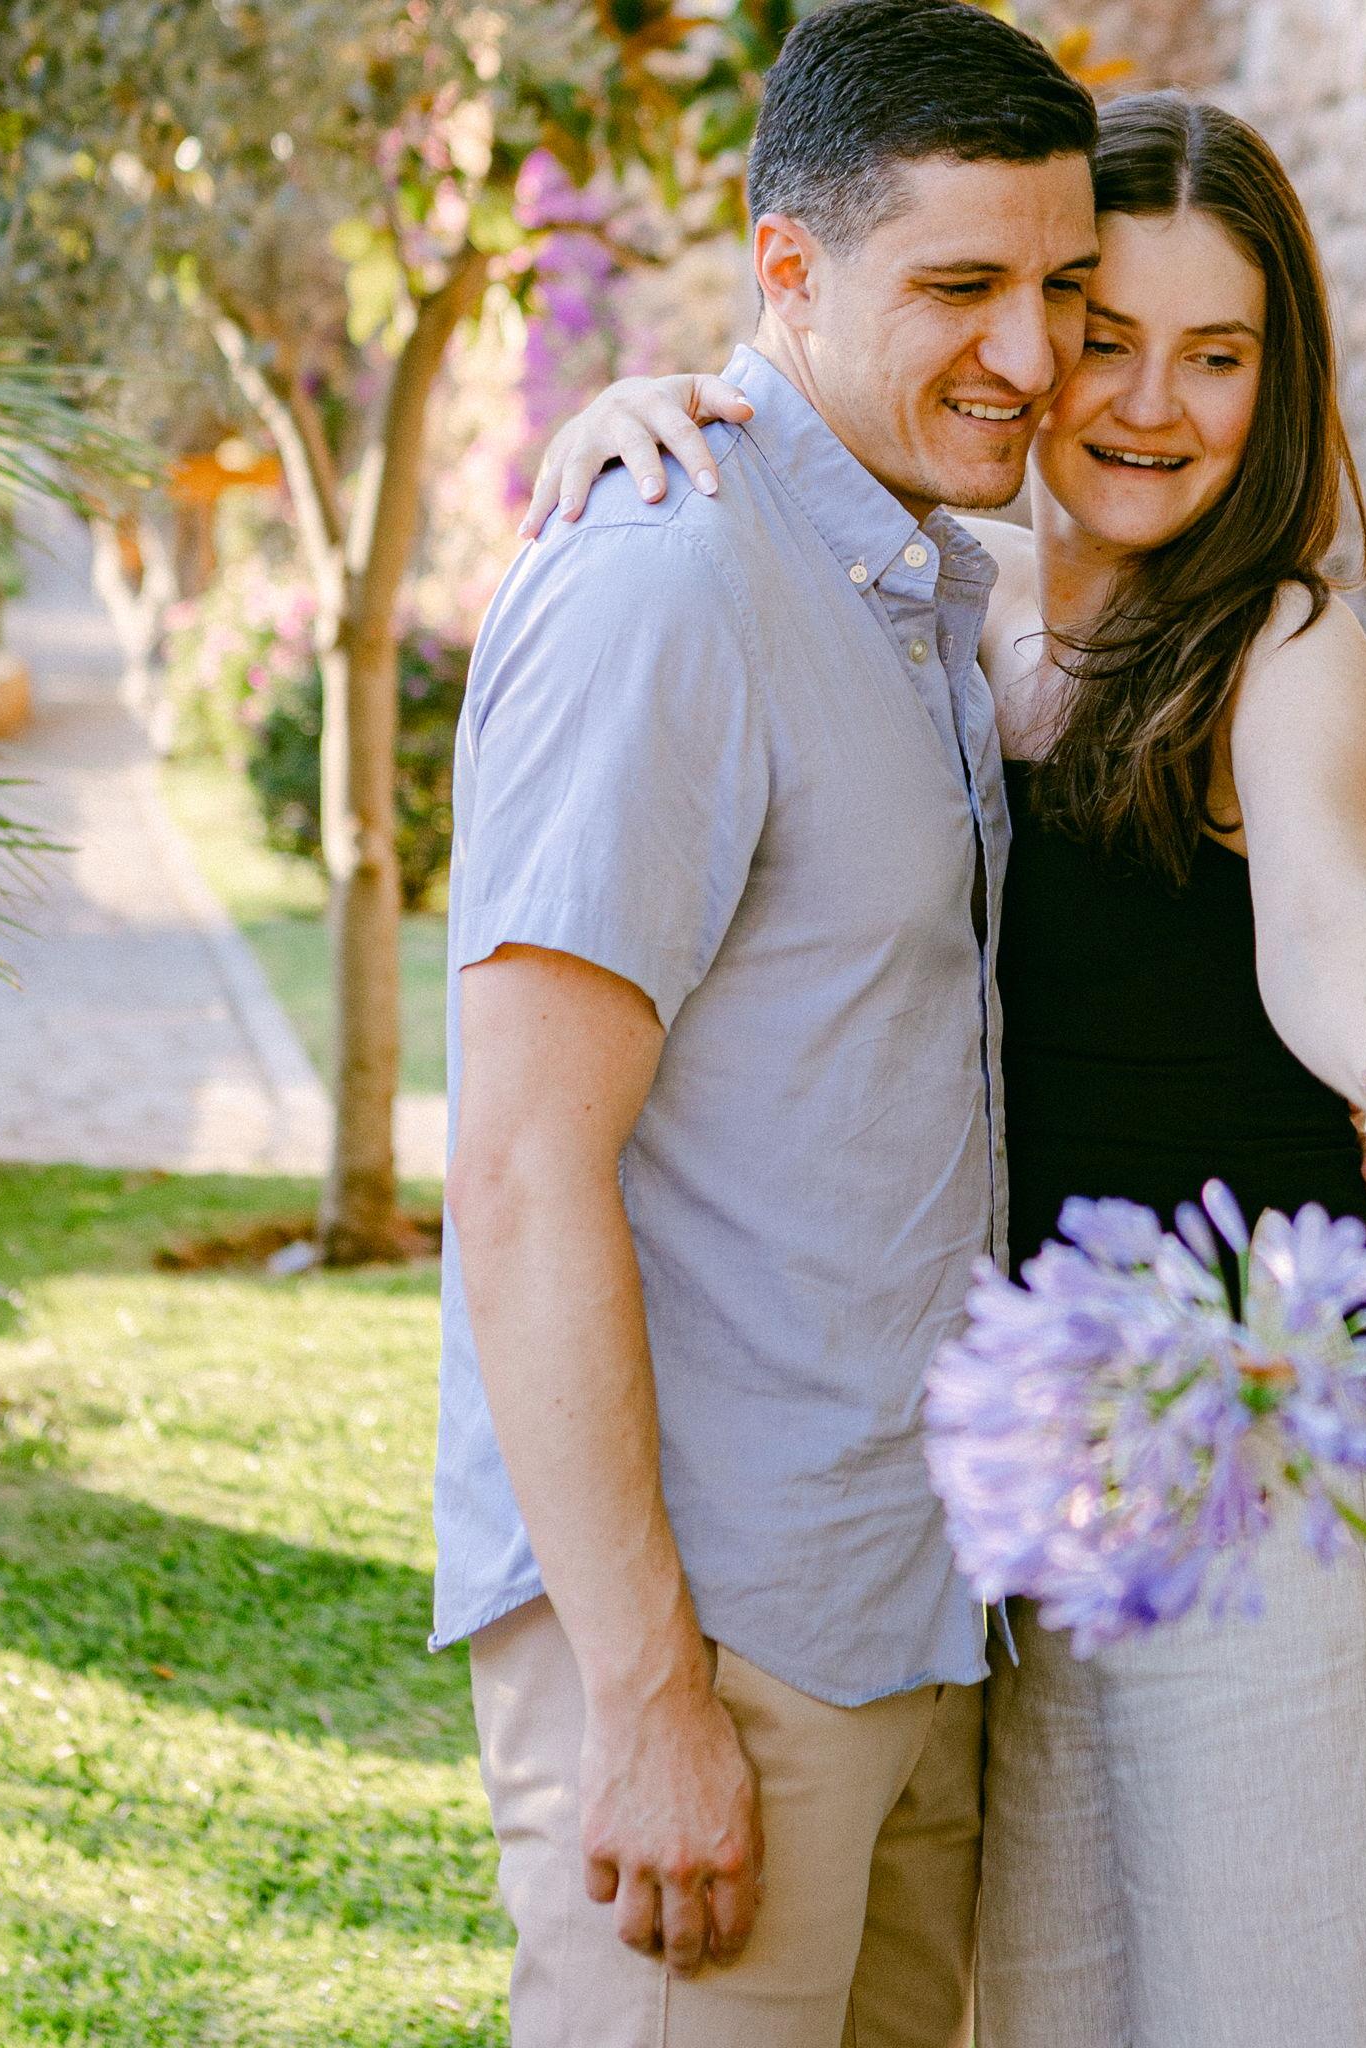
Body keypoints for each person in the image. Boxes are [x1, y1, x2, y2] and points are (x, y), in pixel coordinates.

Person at [522, 86, 1366, 2048]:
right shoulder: (941, 616)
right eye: (1104, 330)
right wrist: (632, 411)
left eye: (1217, 354)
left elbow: (1326, 906)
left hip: (1284, 1495)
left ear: (1280, 378)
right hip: (1044, 1520)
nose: (1150, 402)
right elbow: (782, 437)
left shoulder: (1280, 644)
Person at [434, 5, 1100, 2045]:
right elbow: (519, 1165)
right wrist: (647, 1697)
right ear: (787, 271)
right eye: (960, 287)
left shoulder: (909, 579)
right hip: (709, 1649)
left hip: (907, 1612)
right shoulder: (669, 582)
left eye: (1062, 286)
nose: (1032, 355)